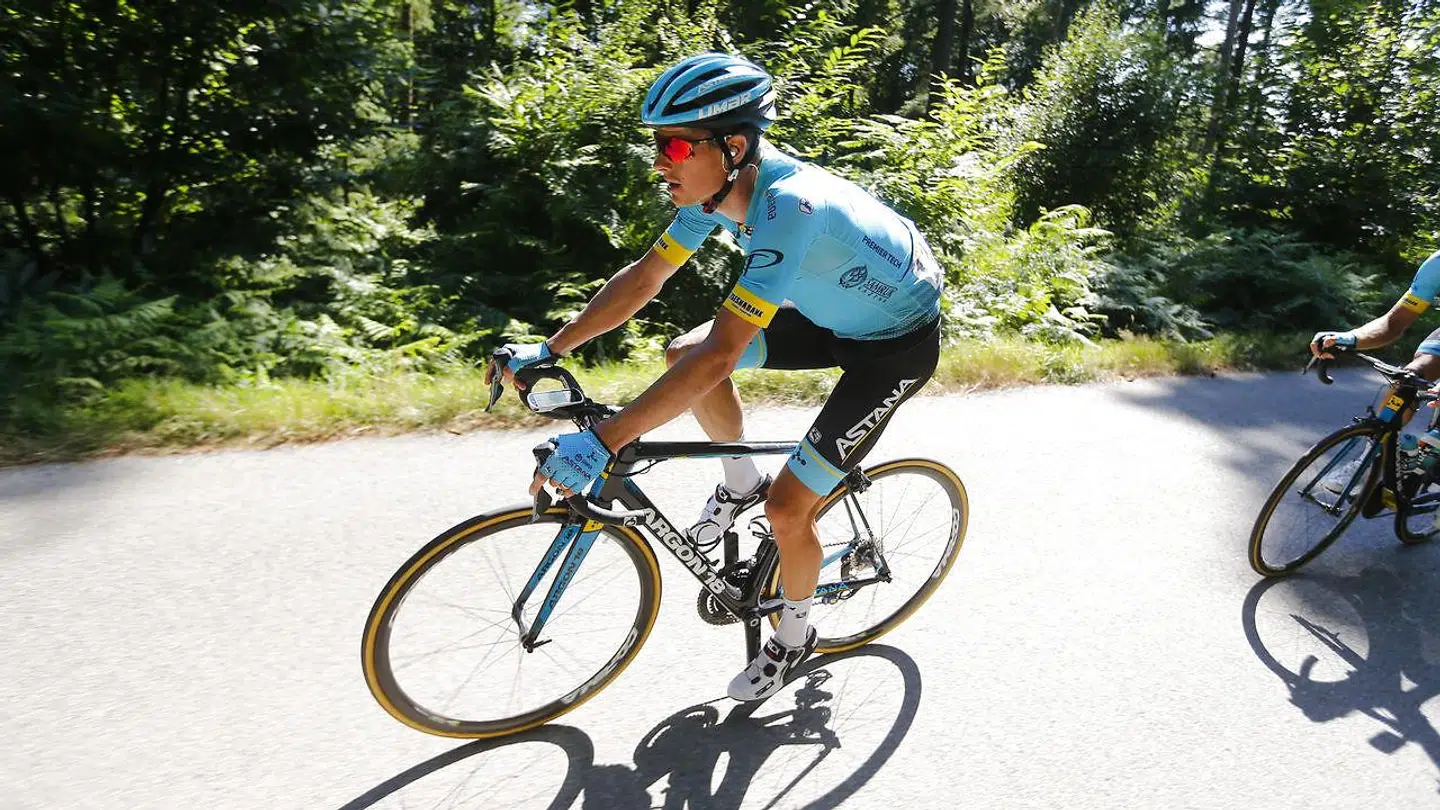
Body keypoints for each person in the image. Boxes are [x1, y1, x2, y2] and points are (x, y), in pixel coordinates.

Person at [487, 52, 944, 701]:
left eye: (674, 144)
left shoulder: (790, 208)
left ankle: (795, 634)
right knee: (682, 351)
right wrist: (549, 346)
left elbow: (725, 355)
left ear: (732, 146)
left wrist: (606, 439)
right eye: (656, 145)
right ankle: (739, 485)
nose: (659, 161)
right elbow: (647, 277)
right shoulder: (714, 194)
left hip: (894, 348)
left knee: (790, 509)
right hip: (833, 318)